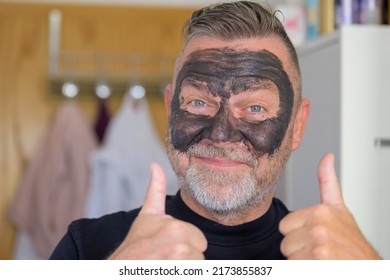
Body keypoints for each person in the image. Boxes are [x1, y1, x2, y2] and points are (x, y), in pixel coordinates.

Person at [50, 1, 381, 260]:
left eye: (255, 109)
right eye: (198, 103)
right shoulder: (86, 248)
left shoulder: (332, 260)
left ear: (297, 126)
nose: (221, 134)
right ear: (170, 110)